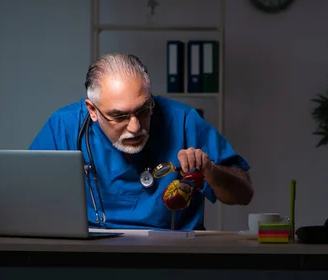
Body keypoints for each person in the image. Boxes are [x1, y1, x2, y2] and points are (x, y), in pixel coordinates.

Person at [28, 53, 253, 230]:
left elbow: (244, 193)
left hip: (174, 260)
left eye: (144, 109)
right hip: (91, 259)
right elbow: (26, 196)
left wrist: (210, 170)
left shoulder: (182, 120)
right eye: (119, 116)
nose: (135, 127)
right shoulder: (64, 127)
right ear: (92, 110)